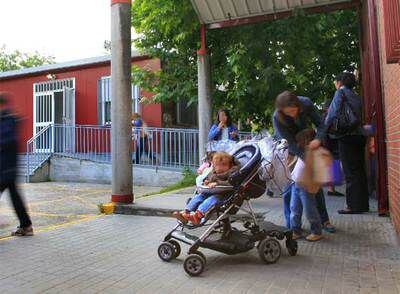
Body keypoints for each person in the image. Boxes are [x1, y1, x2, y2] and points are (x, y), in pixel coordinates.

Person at [273, 90, 335, 233]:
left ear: (298, 105)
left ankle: (323, 220)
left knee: (314, 185)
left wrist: (318, 139)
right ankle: (292, 227)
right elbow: (288, 142)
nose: (292, 115)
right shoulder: (277, 116)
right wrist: (304, 157)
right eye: (288, 113)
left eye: (294, 111)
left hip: (308, 142)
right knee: (290, 187)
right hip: (289, 148)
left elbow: (321, 125)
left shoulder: (306, 103)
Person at [325, 72, 369, 214]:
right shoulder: (356, 95)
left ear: (340, 82)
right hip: (360, 136)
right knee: (359, 170)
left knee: (350, 172)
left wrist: (324, 129)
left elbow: (332, 113)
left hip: (346, 136)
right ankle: (362, 204)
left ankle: (351, 206)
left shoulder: (340, 93)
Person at [172, 152, 239, 225]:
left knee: (210, 200)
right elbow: (208, 179)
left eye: (224, 165)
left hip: (222, 196)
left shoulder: (231, 173)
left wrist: (217, 183)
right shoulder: (213, 172)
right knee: (199, 196)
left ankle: (197, 216)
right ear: (213, 165)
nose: (220, 168)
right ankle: (186, 212)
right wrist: (206, 182)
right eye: (217, 165)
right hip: (209, 192)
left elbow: (230, 183)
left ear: (230, 165)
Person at [0, 92, 33, 236]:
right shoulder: (8, 119)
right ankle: (26, 226)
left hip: (5, 167)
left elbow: (9, 140)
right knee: (15, 197)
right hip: (9, 166)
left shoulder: (6, 120)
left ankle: (26, 226)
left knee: (15, 197)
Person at [290, 129, 323, 241]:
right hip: (295, 184)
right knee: (294, 209)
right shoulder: (301, 152)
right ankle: (296, 230)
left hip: (306, 187)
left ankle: (316, 231)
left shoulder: (313, 152)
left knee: (310, 210)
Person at [322, 100, 344, 197]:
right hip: (330, 144)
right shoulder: (328, 117)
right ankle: (331, 189)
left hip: (329, 144)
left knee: (333, 165)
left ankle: (332, 189)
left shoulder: (326, 117)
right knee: (333, 165)